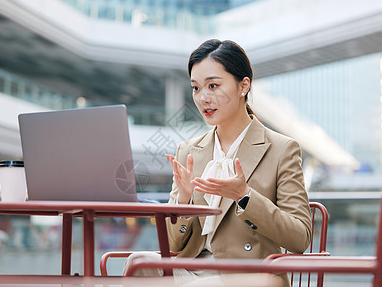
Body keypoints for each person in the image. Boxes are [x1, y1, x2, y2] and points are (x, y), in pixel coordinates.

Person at [124, 39, 312, 286]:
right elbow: (170, 245)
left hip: (251, 275)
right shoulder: (189, 151)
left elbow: (300, 237)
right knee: (137, 263)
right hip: (193, 268)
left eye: (213, 85)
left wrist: (245, 196)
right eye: (196, 88)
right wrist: (183, 201)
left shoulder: (281, 149)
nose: (203, 98)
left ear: (243, 86)